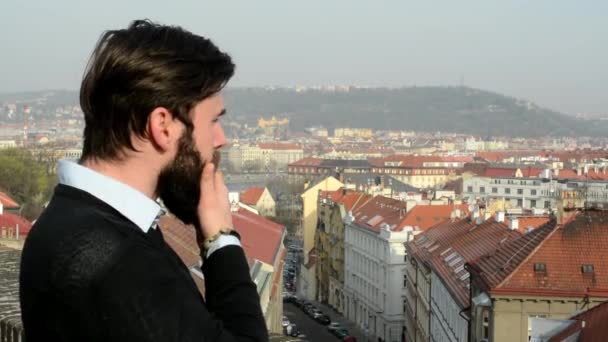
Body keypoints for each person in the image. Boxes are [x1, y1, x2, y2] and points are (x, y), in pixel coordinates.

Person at [19, 19, 268, 342]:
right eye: (213, 121)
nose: (221, 140)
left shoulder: (63, 220)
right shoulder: (118, 262)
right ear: (162, 126)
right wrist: (221, 240)